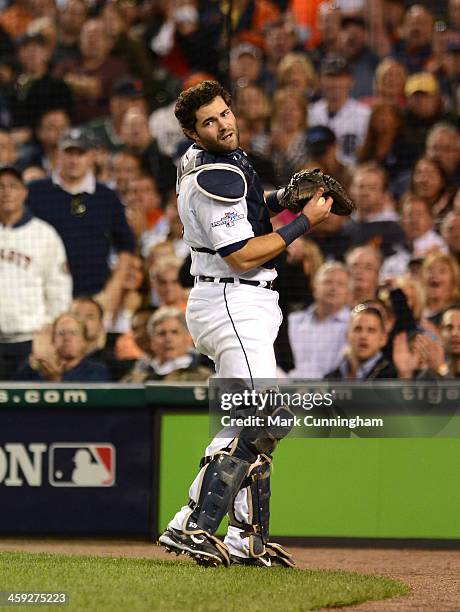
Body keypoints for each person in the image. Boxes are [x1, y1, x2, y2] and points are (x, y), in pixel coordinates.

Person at [158, 80, 332, 567]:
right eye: (210, 121)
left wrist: (281, 198)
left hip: (237, 303)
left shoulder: (215, 164)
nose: (224, 123)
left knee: (259, 421)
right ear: (194, 132)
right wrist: (305, 222)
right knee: (261, 418)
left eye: (225, 112)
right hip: (233, 299)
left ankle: (246, 538)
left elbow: (246, 210)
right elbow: (241, 253)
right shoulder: (214, 172)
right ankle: (191, 523)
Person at [25, 128, 135, 296]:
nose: (74, 160)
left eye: (80, 153)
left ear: (91, 156)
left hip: (95, 295)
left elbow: (126, 246)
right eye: (69, 153)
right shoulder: (35, 192)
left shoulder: (107, 197)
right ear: (58, 154)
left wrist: (112, 292)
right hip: (44, 292)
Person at [0, 164, 72, 380]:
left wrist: (48, 333)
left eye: (13, 186)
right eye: (1, 186)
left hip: (31, 341)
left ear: (24, 192)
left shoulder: (44, 234)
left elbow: (59, 291)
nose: (6, 192)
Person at [288, 262, 351, 379]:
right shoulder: (292, 322)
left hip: (334, 392)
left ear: (348, 293)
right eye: (328, 282)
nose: (333, 288)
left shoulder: (354, 326)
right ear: (315, 287)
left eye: (340, 284)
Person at [16, 312, 111, 381]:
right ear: (53, 339)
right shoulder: (34, 368)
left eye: (74, 333)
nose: (67, 338)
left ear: (84, 341)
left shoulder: (96, 370)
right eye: (61, 333)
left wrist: (54, 380)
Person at [325, 303, 398, 379]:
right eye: (358, 329)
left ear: (383, 339)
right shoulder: (329, 379)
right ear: (347, 335)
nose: (363, 336)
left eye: (371, 330)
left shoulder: (393, 377)